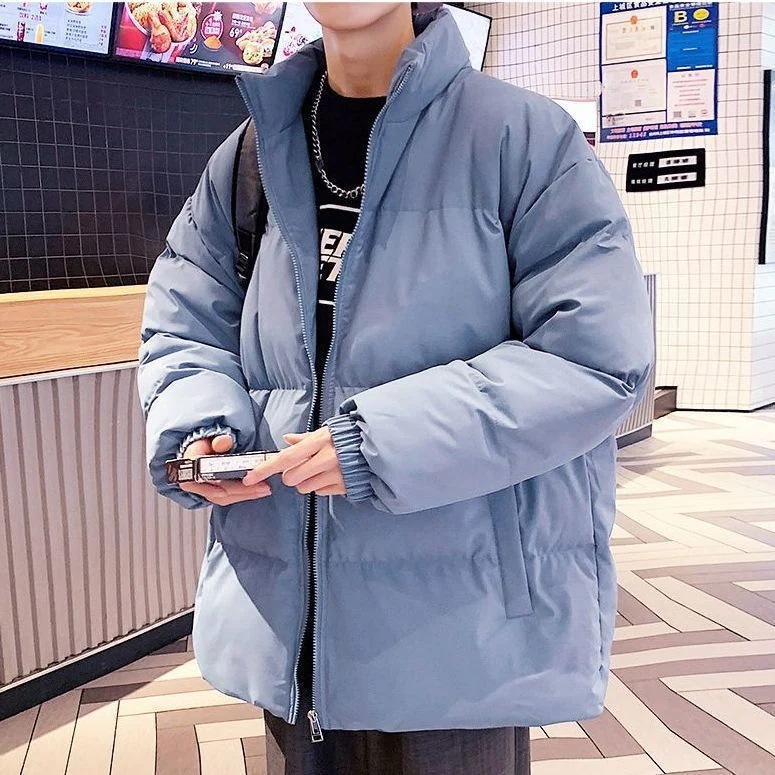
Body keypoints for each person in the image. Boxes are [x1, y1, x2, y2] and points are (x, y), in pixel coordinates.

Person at [138, 3, 654, 773]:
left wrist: (376, 443)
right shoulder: (250, 153)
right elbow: (184, 320)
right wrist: (197, 424)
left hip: (463, 629)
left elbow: (594, 357)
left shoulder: (524, 140)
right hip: (290, 631)